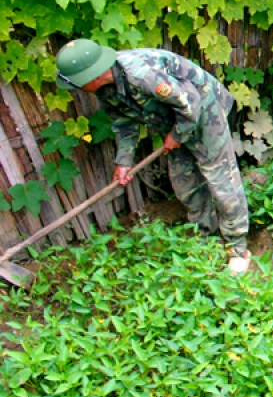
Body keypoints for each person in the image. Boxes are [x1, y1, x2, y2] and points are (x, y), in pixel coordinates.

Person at [55, 40, 252, 274]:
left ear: (92, 77)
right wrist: (124, 161)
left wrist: (177, 134)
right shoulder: (105, 90)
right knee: (184, 182)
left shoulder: (143, 76)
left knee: (221, 181)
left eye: (77, 84)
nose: (76, 89)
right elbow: (124, 124)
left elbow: (189, 102)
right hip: (176, 120)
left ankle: (238, 248)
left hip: (204, 108)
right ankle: (206, 237)